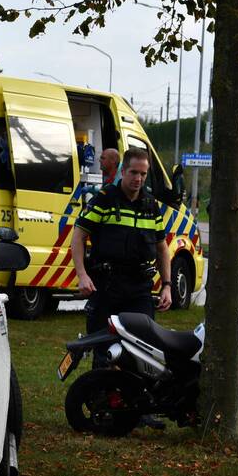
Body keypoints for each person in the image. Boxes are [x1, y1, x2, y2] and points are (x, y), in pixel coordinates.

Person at [71, 148, 172, 429]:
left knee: (143, 348)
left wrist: (166, 285)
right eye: (133, 173)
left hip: (140, 287)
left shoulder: (151, 205)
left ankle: (139, 408)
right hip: (107, 285)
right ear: (122, 172)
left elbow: (162, 247)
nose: (138, 179)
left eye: (143, 174)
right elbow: (79, 236)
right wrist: (82, 275)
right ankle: (100, 404)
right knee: (104, 346)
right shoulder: (104, 200)